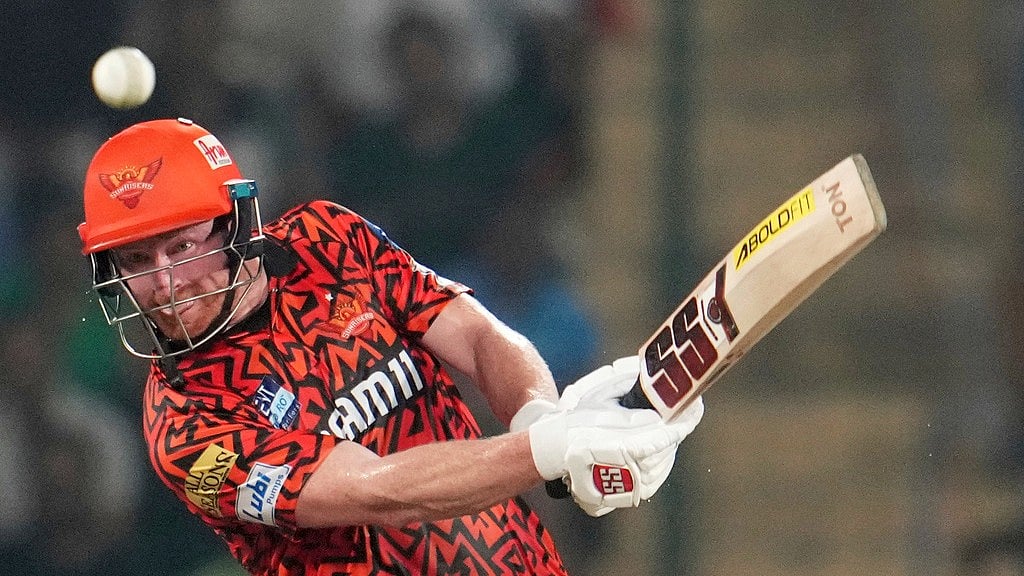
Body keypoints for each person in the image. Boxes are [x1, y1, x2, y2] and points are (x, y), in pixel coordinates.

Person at [76, 118, 705, 575]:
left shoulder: (326, 238)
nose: (163, 285)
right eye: (135, 260)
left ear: (234, 222)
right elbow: (379, 492)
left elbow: (479, 336)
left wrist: (540, 414)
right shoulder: (185, 424)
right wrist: (549, 450)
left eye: (183, 248)